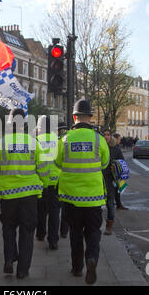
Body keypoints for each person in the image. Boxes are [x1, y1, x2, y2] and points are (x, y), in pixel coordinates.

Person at [0, 108, 50, 279]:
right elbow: (43, 169)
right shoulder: (33, 143)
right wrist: (46, 183)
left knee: (8, 228)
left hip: (7, 196)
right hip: (29, 195)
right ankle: (23, 270)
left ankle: (9, 259)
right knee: (27, 232)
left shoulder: (1, 143)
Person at [55, 99, 110, 285]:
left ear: (74, 117)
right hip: (93, 197)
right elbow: (105, 163)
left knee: (76, 233)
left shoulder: (65, 138)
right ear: (90, 117)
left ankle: (77, 268)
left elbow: (57, 162)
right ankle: (91, 258)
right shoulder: (98, 139)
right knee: (94, 231)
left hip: (71, 197)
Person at [35, 115, 62, 250]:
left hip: (40, 182)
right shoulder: (58, 142)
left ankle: (40, 233)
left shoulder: (35, 142)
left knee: (40, 211)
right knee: (54, 212)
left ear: (39, 128)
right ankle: (53, 240)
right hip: (56, 182)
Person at [102, 128, 125, 235]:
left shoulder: (115, 148)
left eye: (108, 134)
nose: (106, 136)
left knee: (110, 203)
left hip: (111, 179)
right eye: (104, 134)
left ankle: (109, 226)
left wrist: (116, 166)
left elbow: (122, 162)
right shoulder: (98, 147)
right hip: (98, 179)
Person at [57, 122, 70, 239]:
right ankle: (63, 231)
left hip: (60, 179)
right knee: (63, 207)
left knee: (59, 209)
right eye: (61, 130)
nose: (63, 132)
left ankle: (63, 231)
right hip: (62, 179)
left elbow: (58, 161)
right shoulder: (63, 141)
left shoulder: (62, 141)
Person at [113, 133, 129, 211]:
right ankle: (117, 204)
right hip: (116, 171)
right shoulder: (114, 147)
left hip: (117, 171)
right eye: (119, 139)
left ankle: (118, 204)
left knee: (118, 188)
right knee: (117, 188)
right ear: (115, 139)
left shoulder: (116, 147)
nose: (120, 140)